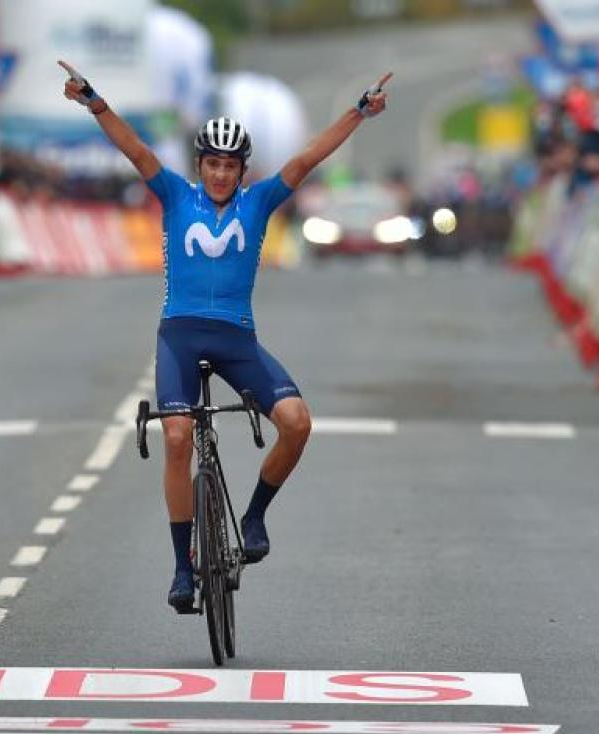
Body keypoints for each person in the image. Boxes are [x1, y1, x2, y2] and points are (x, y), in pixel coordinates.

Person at [60, 60, 390, 611]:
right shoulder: (174, 196)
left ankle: (254, 515)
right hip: (180, 338)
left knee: (297, 423)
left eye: (229, 165)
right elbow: (136, 150)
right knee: (175, 438)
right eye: (211, 163)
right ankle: (181, 567)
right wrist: (93, 101)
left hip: (237, 338)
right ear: (200, 165)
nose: (219, 174)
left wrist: (359, 110)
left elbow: (309, 157)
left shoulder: (258, 202)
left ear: (242, 170)